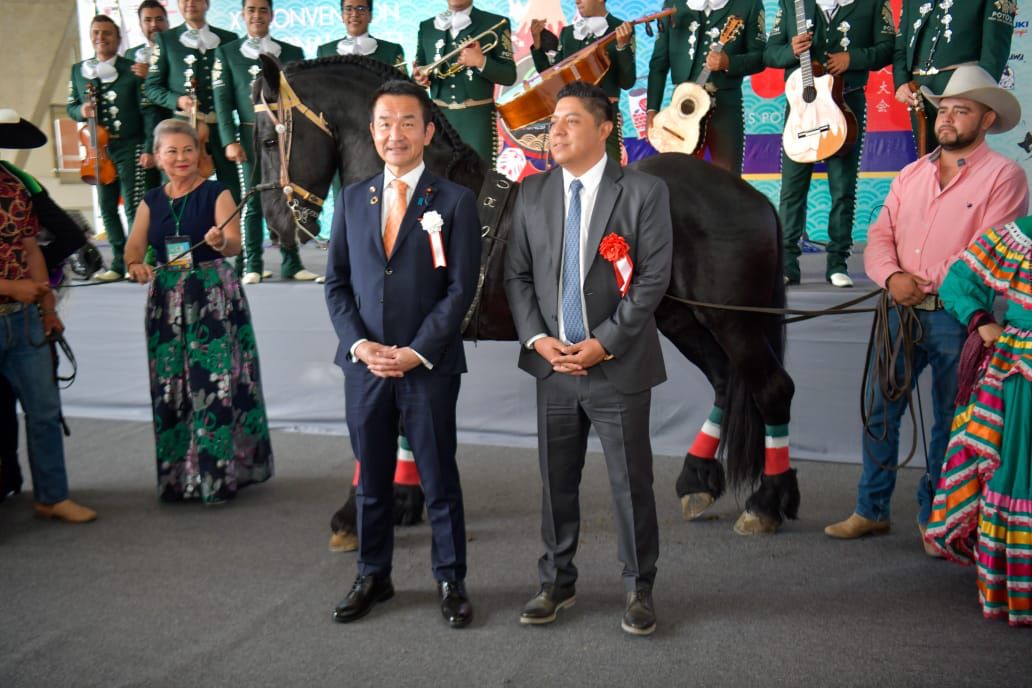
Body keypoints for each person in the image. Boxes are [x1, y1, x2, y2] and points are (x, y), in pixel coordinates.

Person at [824, 66, 1028, 552]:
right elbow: (880, 235)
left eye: (962, 110)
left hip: (959, 319)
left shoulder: (1006, 178)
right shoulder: (911, 173)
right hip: (899, 309)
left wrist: (919, 282)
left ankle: (935, 518)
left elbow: (985, 251)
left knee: (950, 421)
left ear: (987, 119)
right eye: (945, 109)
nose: (948, 118)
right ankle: (870, 509)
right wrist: (891, 277)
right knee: (879, 409)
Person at [504, 81, 672, 635]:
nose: (555, 130)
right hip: (552, 367)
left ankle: (638, 586)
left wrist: (604, 342)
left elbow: (651, 281)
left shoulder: (643, 193)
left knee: (631, 481)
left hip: (616, 364)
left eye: (570, 121)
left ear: (604, 129)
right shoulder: (532, 194)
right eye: (553, 122)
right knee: (556, 482)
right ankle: (556, 581)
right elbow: (519, 276)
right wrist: (537, 339)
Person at [325, 80, 481, 626]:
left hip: (428, 368)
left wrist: (416, 352)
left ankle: (450, 579)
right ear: (373, 132)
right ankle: (374, 574)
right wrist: (360, 345)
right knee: (371, 482)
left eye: (408, 122)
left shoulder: (456, 201)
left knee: (439, 479)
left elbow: (461, 290)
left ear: (428, 131)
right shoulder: (351, 200)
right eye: (385, 123)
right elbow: (337, 286)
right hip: (365, 367)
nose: (396, 133)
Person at [123, 119, 273, 504]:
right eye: (171, 151)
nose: (181, 158)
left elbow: (235, 244)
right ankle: (180, 477)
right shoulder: (151, 201)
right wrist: (135, 265)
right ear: (157, 158)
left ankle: (220, 475)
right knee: (171, 386)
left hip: (211, 295)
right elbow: (134, 248)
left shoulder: (217, 192)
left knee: (216, 383)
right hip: (166, 299)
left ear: (199, 154)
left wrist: (221, 240)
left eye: (188, 150)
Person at [924, 213, 1032, 626]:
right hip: (1021, 371)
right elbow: (958, 282)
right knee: (1019, 472)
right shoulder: (1020, 235)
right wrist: (981, 320)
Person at [0, 109, 95, 522]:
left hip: (24, 318)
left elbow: (31, 248)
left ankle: (52, 496)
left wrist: (47, 305)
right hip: (15, 300)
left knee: (44, 409)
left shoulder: (14, 185)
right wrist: (10, 287)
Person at [765, 0, 895, 287]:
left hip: (846, 101)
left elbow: (889, 47)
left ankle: (838, 263)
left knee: (843, 186)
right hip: (802, 103)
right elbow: (770, 53)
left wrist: (853, 59)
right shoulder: (793, 4)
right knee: (792, 189)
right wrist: (791, 50)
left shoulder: (872, 4)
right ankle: (787, 264)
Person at [213, 0, 319, 284]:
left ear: (272, 15)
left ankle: (292, 263)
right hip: (249, 137)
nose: (257, 15)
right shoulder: (227, 54)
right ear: (243, 15)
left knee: (287, 197)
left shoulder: (292, 53)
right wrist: (228, 140)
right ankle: (252, 264)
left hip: (286, 136)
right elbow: (222, 103)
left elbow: (303, 98)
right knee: (252, 200)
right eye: (251, 10)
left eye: (262, 10)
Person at [67, 14, 147, 281]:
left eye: (107, 33)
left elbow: (145, 111)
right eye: (96, 33)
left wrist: (147, 146)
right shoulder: (79, 70)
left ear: (118, 38)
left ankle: (136, 261)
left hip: (128, 144)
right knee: (106, 206)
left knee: (134, 206)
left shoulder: (132, 69)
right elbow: (71, 106)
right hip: (97, 149)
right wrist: (81, 109)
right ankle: (117, 264)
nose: (101, 38)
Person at [647, 0, 767, 176]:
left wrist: (729, 63)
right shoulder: (673, 3)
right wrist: (652, 108)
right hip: (682, 107)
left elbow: (761, 58)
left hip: (725, 106)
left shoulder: (748, 4)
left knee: (728, 180)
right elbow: (658, 63)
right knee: (680, 178)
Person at [893, 0, 1016, 154]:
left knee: (963, 159)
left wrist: (979, 92)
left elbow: (995, 50)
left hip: (964, 89)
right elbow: (901, 44)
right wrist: (901, 82)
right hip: (918, 92)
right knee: (927, 162)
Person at [144, 0, 239, 193]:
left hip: (222, 129)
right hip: (182, 129)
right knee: (180, 192)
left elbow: (237, 86)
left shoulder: (229, 38)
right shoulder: (166, 40)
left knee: (232, 191)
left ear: (207, 3)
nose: (190, 3)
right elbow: (151, 87)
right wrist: (177, 101)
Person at [530, 0, 635, 162]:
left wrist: (622, 47)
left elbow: (627, 82)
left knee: (609, 173)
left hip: (603, 114)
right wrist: (537, 44)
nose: (577, 1)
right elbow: (552, 75)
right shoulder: (568, 33)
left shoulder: (621, 29)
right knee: (569, 171)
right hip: (570, 117)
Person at [413, 0, 516, 163]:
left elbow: (509, 76)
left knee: (478, 180)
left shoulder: (495, 23)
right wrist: (419, 79)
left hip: (477, 121)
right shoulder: (427, 27)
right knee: (439, 180)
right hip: (440, 121)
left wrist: (481, 62)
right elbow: (420, 68)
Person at [125, 0, 171, 202]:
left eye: (159, 19)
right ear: (140, 24)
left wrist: (152, 76)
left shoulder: (176, 51)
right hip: (139, 135)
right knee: (145, 198)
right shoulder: (130, 55)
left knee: (172, 189)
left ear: (167, 22)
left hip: (170, 130)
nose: (154, 25)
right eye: (148, 20)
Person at [316, 0, 406, 70]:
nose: (355, 14)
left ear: (370, 15)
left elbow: (404, 88)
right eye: (348, 9)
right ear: (342, 16)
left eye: (361, 9)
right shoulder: (324, 52)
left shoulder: (392, 51)